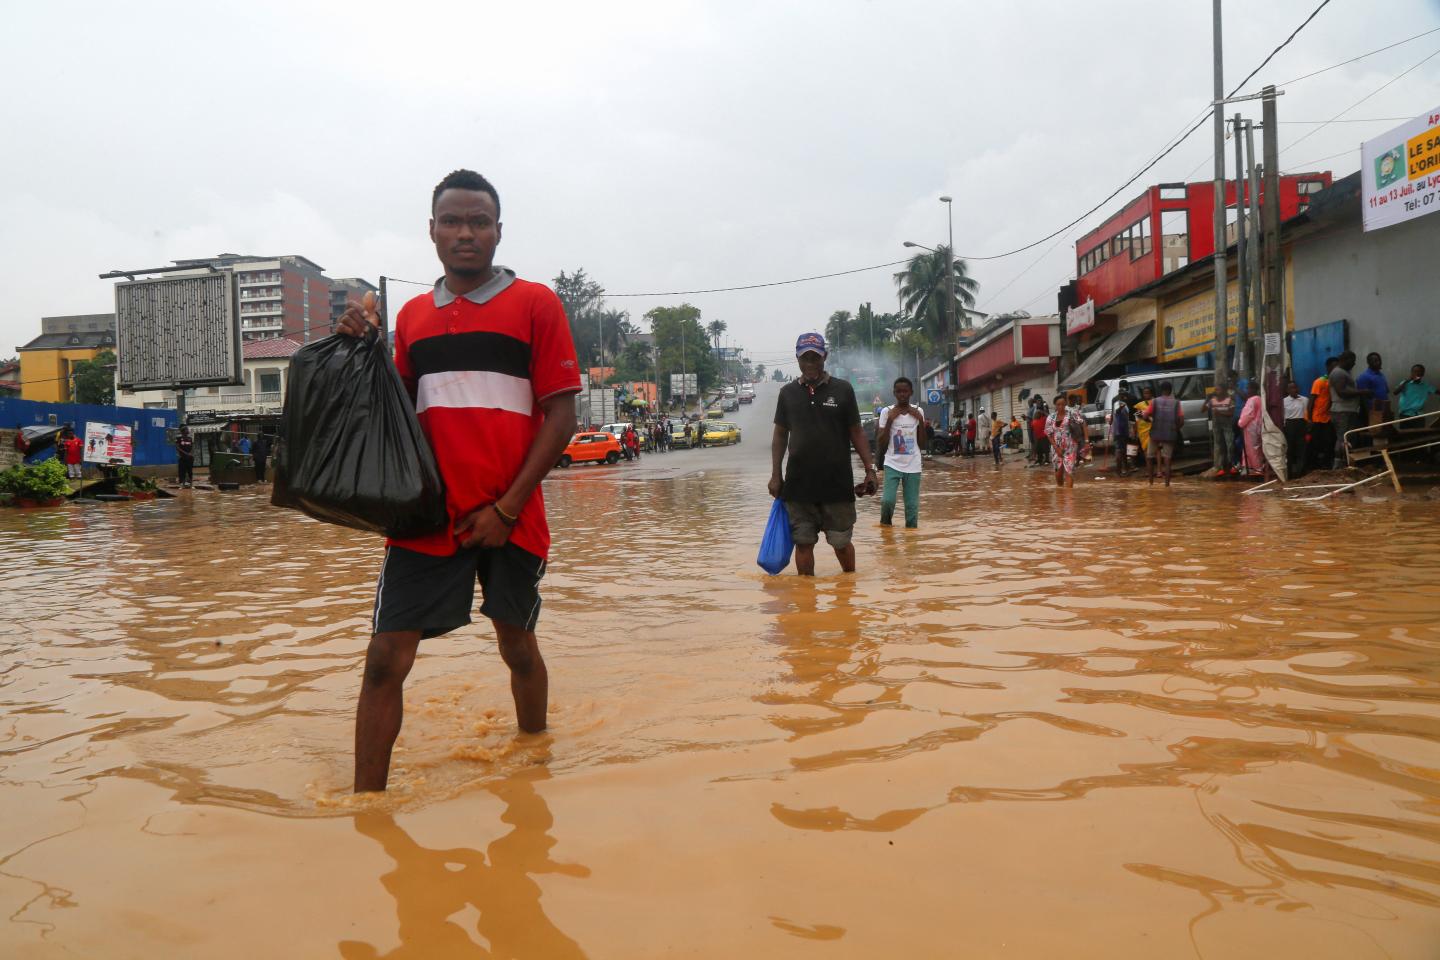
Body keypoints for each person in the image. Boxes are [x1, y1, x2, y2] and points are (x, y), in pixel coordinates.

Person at [335, 169, 581, 793]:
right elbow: (387, 410)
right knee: (385, 660)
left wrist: (507, 508)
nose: (465, 233)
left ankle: (534, 765)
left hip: (511, 515)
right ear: (432, 231)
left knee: (518, 647)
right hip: (425, 515)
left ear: (499, 231)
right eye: (453, 221)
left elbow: (561, 417)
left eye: (479, 222)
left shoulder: (536, 304)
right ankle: (367, 805)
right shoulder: (412, 318)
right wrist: (351, 347)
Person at [768, 332, 877, 576]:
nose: (810, 364)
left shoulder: (843, 390)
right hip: (798, 487)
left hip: (837, 485)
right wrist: (776, 475)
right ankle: (807, 603)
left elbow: (857, 432)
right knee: (803, 543)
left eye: (815, 358)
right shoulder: (787, 394)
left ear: (824, 357)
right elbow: (779, 435)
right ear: (797, 360)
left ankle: (849, 589)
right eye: (805, 358)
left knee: (841, 543)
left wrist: (870, 470)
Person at [875, 376, 927, 529]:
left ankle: (911, 542)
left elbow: (922, 444)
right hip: (892, 463)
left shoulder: (918, 411)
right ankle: (886, 530)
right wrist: (891, 420)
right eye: (899, 391)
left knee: (912, 508)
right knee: (887, 501)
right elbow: (880, 441)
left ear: (911, 392)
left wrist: (921, 422)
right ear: (894, 393)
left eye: (905, 391)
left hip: (914, 465)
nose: (902, 394)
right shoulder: (886, 411)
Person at [1327, 351, 1370, 461]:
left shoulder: (1344, 373)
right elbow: (1341, 392)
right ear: (1346, 359)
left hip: (1347, 411)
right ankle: (1338, 466)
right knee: (1343, 439)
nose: (1354, 364)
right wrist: (1361, 392)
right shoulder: (1338, 373)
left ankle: (1344, 463)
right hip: (1342, 412)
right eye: (1353, 361)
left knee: (1347, 438)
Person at [1142, 380, 1183, 487]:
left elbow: (1145, 416)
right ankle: (1167, 485)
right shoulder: (1176, 402)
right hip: (1170, 434)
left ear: (1161, 390)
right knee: (1167, 459)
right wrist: (1175, 429)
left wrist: (1149, 421)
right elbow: (1181, 420)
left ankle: (1151, 483)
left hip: (1155, 433)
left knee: (1150, 457)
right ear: (1170, 391)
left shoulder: (1154, 401)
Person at [1044, 394, 1086, 488]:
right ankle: (1060, 494)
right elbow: (1048, 433)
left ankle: (1069, 497)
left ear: (1065, 404)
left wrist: (1086, 441)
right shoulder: (1051, 417)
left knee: (1069, 470)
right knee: (1058, 472)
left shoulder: (1072, 414)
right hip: (1056, 447)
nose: (1061, 407)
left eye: (1063, 404)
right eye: (1058, 404)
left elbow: (1083, 423)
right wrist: (1056, 448)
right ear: (1055, 405)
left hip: (1070, 446)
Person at [1306, 357, 1337, 472]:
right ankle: (1312, 468)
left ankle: (1325, 466)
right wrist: (1309, 419)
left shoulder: (1333, 382)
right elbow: (1311, 401)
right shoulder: (1319, 382)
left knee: (1328, 443)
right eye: (1334, 366)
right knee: (1314, 444)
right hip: (1316, 418)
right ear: (1328, 367)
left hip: (1327, 418)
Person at [1202, 383, 1235, 476]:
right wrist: (1207, 400)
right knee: (1220, 447)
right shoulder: (1213, 400)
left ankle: (1231, 465)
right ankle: (1222, 467)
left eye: (1218, 390)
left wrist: (1219, 412)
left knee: (1230, 446)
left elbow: (1231, 413)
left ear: (1224, 391)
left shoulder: (1229, 400)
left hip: (1227, 427)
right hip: (1217, 427)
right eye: (1215, 390)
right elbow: (1203, 410)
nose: (1216, 392)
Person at [1237, 380, 1266, 478]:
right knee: (1256, 447)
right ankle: (1252, 466)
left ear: (1253, 389)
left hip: (1250, 428)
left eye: (1248, 388)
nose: (1247, 390)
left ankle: (1256, 468)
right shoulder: (1259, 399)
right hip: (1258, 426)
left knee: (1252, 449)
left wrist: (1240, 423)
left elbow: (1248, 415)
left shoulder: (1252, 400)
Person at [1282, 381, 1308, 478]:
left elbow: (1307, 413)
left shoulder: (1304, 400)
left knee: (1302, 448)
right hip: (1289, 425)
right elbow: (1283, 416)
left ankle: (1301, 472)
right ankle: (1290, 473)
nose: (1294, 390)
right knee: (1290, 449)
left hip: (1301, 424)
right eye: (1291, 388)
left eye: (1295, 388)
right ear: (1287, 390)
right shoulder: (1284, 401)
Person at [1356, 352, 1390, 423]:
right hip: (1372, 412)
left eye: (1379, 360)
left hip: (1383, 410)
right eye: (1375, 361)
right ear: (1369, 362)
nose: (1378, 362)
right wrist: (1369, 414)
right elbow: (1363, 398)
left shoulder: (1381, 375)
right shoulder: (1364, 377)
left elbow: (1386, 391)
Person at [1133, 386, 1154, 472]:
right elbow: (1137, 419)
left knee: (1156, 451)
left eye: (1148, 393)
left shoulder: (1155, 403)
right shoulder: (1139, 405)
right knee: (1145, 450)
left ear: (1151, 393)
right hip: (1142, 431)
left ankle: (1158, 470)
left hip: (1153, 429)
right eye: (1144, 393)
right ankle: (1149, 470)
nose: (1146, 394)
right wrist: (1135, 430)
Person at [1111, 394, 1132, 476]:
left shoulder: (1124, 404)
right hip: (1119, 432)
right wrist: (1121, 407)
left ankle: (1124, 470)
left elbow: (1127, 417)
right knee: (1120, 451)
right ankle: (1119, 471)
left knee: (1123, 451)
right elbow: (1117, 411)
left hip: (1124, 431)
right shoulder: (1118, 404)